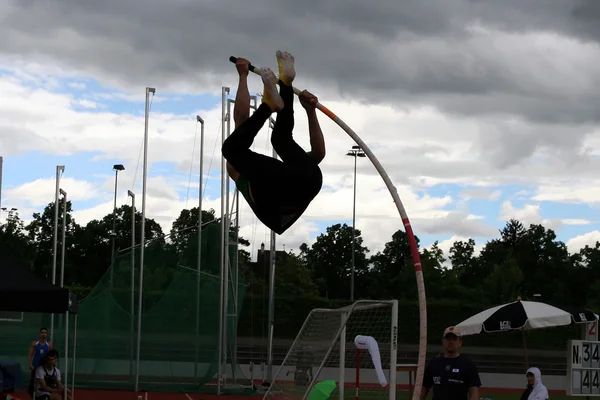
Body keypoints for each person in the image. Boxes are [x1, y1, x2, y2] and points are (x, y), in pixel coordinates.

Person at [222, 50, 326, 235]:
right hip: (310, 179)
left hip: (302, 188)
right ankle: (284, 86)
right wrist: (243, 76)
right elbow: (318, 154)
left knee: (236, 148)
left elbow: (241, 121)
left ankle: (279, 93)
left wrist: (243, 77)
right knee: (279, 139)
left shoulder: (241, 172)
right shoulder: (270, 172)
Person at [421, 326, 481, 400]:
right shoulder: (433, 364)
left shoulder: (468, 365)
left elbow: (474, 395)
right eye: (448, 338)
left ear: (460, 342)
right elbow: (422, 392)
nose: (451, 341)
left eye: (454, 339)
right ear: (443, 341)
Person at [28, 327, 52, 396]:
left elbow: (51, 356)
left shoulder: (49, 344)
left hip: (45, 367)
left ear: (47, 334)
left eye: (45, 333)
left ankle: (44, 396)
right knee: (33, 384)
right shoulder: (35, 343)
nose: (44, 334)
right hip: (36, 366)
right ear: (40, 333)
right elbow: (30, 354)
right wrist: (30, 364)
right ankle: (33, 396)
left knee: (44, 384)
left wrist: (51, 366)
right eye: (42, 332)